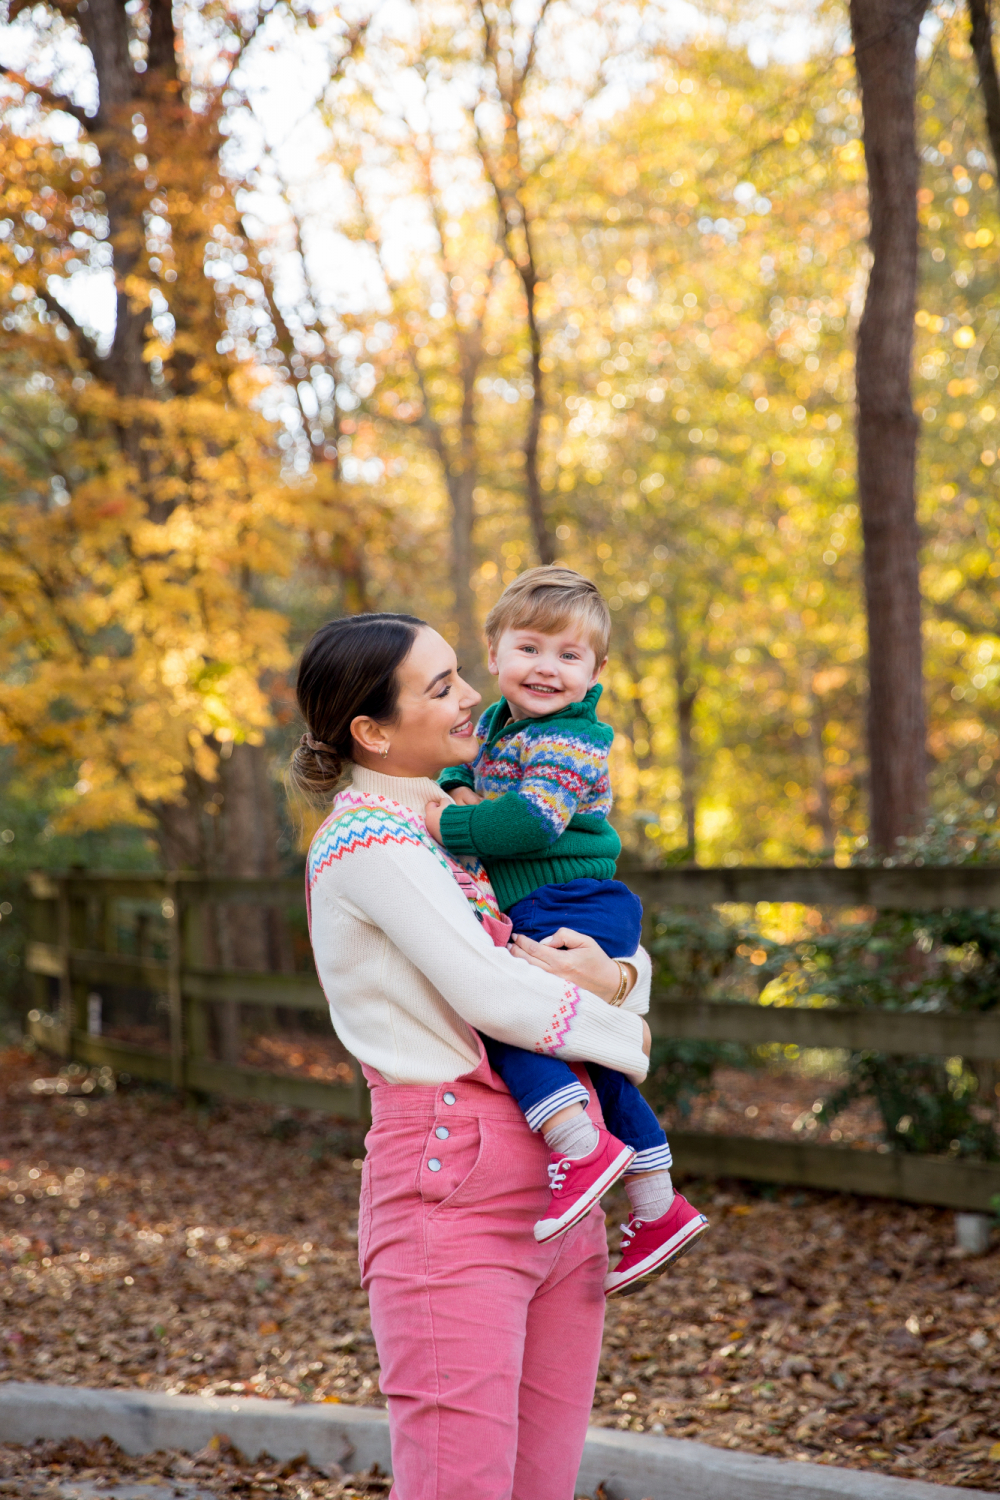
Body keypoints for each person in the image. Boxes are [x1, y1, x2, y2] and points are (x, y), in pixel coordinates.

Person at [292, 610, 653, 1500]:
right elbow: (495, 993)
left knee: (542, 1485)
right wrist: (629, 1021)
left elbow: (606, 952)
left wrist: (617, 980)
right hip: (450, 1183)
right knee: (463, 1485)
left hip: (567, 1171)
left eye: (462, 674)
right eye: (441, 686)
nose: (472, 698)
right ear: (372, 730)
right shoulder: (369, 841)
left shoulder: (471, 824)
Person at [426, 567, 708, 1295]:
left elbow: (528, 820)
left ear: (595, 672)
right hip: (556, 901)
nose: (547, 668)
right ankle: (657, 1203)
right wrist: (460, 790)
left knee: (503, 1016)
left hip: (572, 901)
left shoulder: (570, 738)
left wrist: (446, 822)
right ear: (493, 653)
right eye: (530, 648)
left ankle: (578, 1147)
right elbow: (476, 781)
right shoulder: (494, 724)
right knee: (597, 1060)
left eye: (569, 655)